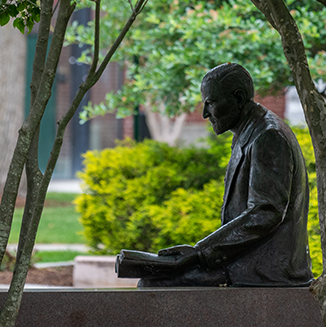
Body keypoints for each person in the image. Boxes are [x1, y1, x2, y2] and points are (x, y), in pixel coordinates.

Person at [134, 63, 314, 287]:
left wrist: (200, 252)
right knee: (153, 276)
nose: (204, 113)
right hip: (244, 263)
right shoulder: (247, 131)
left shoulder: (269, 136)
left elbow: (265, 212)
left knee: (154, 283)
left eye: (210, 103)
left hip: (265, 270)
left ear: (238, 98)